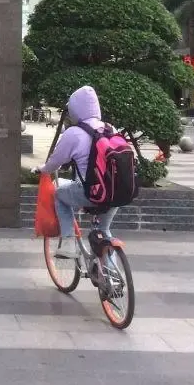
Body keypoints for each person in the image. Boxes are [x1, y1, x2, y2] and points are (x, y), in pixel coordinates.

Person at [36, 85, 117, 259]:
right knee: (104, 230)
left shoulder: (74, 133)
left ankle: (68, 243)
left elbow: (55, 163)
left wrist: (42, 169)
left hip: (92, 192)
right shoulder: (110, 128)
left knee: (59, 195)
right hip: (118, 191)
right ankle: (111, 273)